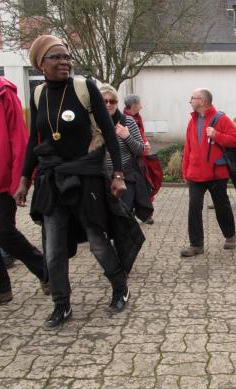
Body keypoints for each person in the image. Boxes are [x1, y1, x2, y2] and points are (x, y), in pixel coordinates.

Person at [15, 35, 143, 328]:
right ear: (40, 64)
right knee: (55, 247)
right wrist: (25, 178)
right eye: (56, 57)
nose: (64, 62)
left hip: (85, 178)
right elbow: (36, 140)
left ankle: (120, 286)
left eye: (67, 57)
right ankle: (61, 304)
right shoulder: (38, 94)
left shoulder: (84, 88)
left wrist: (118, 174)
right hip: (52, 180)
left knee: (98, 241)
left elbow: (109, 133)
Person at [0, 74, 48, 305]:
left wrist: (21, 180)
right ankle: (0, 288)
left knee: (3, 232)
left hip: (2, 179)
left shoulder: (3, 94)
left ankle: (46, 270)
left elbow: (19, 139)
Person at [181, 88, 236, 256]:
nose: (190, 101)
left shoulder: (221, 119)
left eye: (192, 98)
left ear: (202, 100)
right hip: (195, 174)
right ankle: (196, 245)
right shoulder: (191, 120)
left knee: (222, 207)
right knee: (194, 207)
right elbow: (188, 147)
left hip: (216, 174)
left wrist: (217, 135)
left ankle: (230, 236)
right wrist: (185, 170)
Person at [101, 85, 151, 216]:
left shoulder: (127, 121)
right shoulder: (93, 123)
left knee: (123, 216)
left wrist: (126, 136)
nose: (108, 104)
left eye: (112, 101)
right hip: (101, 178)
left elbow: (141, 150)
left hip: (124, 178)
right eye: (104, 101)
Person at [123, 94, 161, 224]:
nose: (141, 106)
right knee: (141, 186)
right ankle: (143, 213)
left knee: (145, 185)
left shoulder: (137, 117)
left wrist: (145, 142)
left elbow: (141, 135)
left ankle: (144, 213)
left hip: (141, 156)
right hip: (133, 160)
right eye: (139, 104)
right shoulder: (126, 119)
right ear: (134, 105)